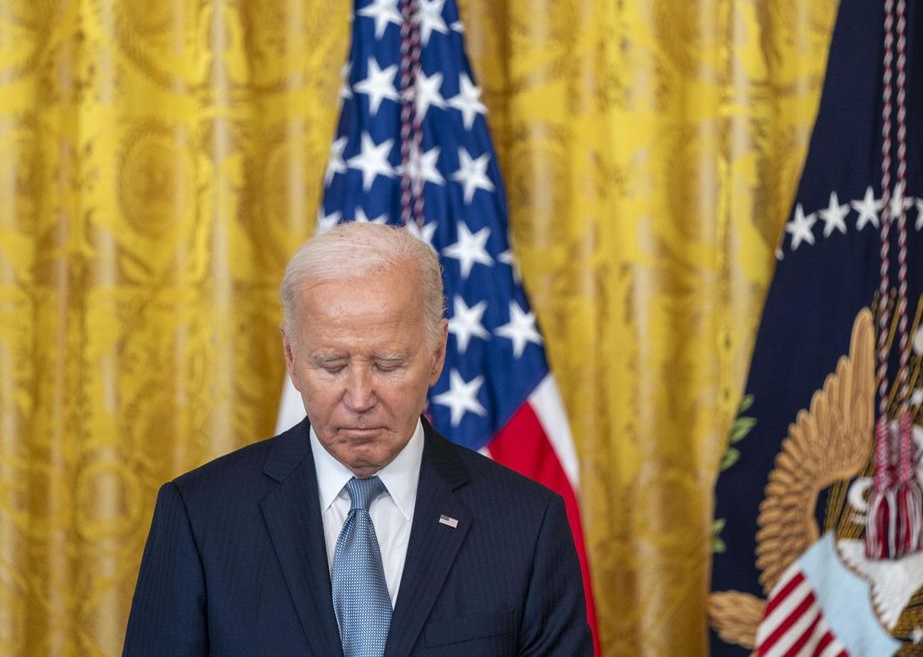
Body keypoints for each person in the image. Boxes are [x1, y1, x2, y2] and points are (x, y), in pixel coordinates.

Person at [123, 222, 592, 656]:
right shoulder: (199, 516)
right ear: (290, 356)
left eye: (388, 364)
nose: (360, 397)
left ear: (436, 354)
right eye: (331, 365)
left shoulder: (527, 524)